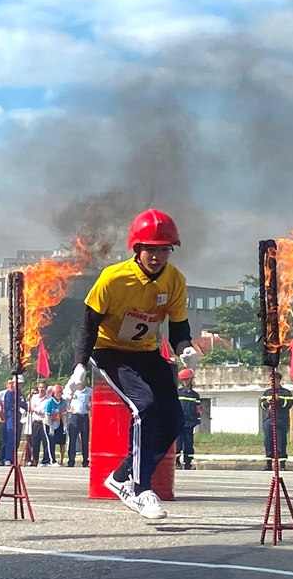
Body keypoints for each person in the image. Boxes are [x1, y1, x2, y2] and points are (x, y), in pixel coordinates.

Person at [65, 208, 199, 521]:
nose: (157, 257)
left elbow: (178, 328)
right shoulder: (113, 278)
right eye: (151, 249)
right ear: (137, 248)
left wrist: (185, 348)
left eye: (164, 250)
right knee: (145, 407)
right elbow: (89, 325)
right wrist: (79, 365)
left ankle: (122, 475)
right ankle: (140, 490)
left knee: (173, 421)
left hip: (146, 351)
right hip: (110, 350)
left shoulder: (175, 280)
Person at [259, 384, 293, 471]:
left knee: (281, 442)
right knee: (268, 442)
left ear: (279, 380)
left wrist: (279, 400)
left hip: (280, 421)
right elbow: (262, 405)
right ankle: (268, 465)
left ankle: (282, 465)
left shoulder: (286, 392)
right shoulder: (267, 392)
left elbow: (289, 405)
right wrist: (267, 402)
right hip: (268, 421)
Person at [176, 368, 202, 470]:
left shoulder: (195, 395)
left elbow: (198, 409)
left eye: (187, 379)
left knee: (188, 443)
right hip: (179, 423)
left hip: (190, 423)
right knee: (178, 444)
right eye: (183, 380)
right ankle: (176, 462)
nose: (185, 382)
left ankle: (188, 463)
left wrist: (197, 420)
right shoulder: (178, 393)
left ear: (191, 380)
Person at [65, 379, 91, 468]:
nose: (81, 383)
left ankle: (85, 461)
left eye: (83, 381)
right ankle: (71, 461)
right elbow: (64, 399)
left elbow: (94, 401)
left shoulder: (89, 391)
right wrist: (67, 408)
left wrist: (90, 406)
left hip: (84, 416)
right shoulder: (72, 390)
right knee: (72, 439)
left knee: (85, 439)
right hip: (74, 416)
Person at [0, 378, 20, 465]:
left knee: (14, 439)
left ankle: (12, 458)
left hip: (14, 419)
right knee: (4, 439)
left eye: (13, 383)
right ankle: (3, 459)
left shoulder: (17, 393)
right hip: (5, 419)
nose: (11, 385)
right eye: (10, 383)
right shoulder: (4, 393)